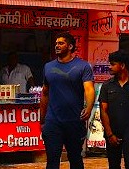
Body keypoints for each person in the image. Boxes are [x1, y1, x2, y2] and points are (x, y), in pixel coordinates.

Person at [40, 31, 95, 169]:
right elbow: (45, 93)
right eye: (56, 43)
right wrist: (42, 119)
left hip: (74, 121)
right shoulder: (48, 67)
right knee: (52, 161)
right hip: (53, 122)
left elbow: (89, 89)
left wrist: (88, 108)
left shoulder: (83, 66)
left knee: (75, 160)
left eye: (61, 43)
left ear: (70, 46)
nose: (57, 46)